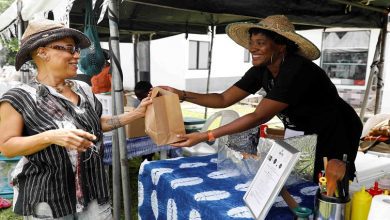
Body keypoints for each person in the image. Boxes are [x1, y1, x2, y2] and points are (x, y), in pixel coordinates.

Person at [161, 15, 362, 182]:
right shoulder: (261, 70)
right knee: (299, 178)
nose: (252, 48)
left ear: (281, 46)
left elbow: (258, 116)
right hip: (301, 130)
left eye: (260, 43)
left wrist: (205, 135)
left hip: (336, 132)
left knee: (330, 185)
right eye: (251, 43)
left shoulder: (297, 70)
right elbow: (222, 99)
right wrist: (183, 95)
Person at [0, 19, 152, 219]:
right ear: (42, 52)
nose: (77, 55)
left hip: (94, 189)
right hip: (49, 197)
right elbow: (7, 146)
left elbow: (95, 125)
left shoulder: (83, 89)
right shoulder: (18, 98)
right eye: (70, 49)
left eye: (77, 49)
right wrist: (51, 137)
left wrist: (136, 114)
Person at [134, 81, 154, 161]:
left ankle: (147, 159)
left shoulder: (156, 101)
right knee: (147, 154)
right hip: (142, 133)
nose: (141, 100)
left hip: (151, 132)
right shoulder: (137, 104)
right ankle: (146, 159)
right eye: (139, 98)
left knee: (148, 153)